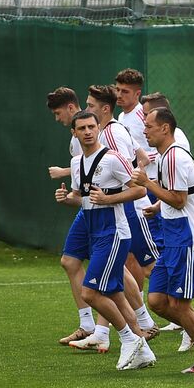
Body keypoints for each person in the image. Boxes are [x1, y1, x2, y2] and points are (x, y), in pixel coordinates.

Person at [55, 110, 154, 370]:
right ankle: (143, 349)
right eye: (82, 128)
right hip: (93, 229)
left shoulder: (113, 159)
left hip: (114, 231)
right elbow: (81, 197)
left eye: (91, 127)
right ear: (74, 133)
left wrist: (108, 199)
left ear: (98, 128)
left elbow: (140, 189)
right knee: (114, 292)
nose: (87, 132)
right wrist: (67, 199)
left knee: (90, 292)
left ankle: (128, 339)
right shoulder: (77, 163)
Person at [132, 107, 194, 374]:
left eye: (149, 126)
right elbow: (174, 198)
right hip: (174, 236)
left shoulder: (174, 157)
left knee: (179, 304)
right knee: (157, 301)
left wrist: (147, 184)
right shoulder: (165, 157)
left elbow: (179, 198)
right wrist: (158, 208)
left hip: (187, 239)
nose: (145, 131)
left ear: (165, 128)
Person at [46, 87, 110, 346]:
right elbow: (81, 188)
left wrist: (109, 198)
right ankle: (89, 325)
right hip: (88, 209)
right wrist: (69, 196)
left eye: (58, 113)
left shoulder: (113, 135)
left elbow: (129, 177)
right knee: (70, 261)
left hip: (113, 212)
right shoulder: (77, 143)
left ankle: (137, 327)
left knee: (129, 268)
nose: (56, 118)